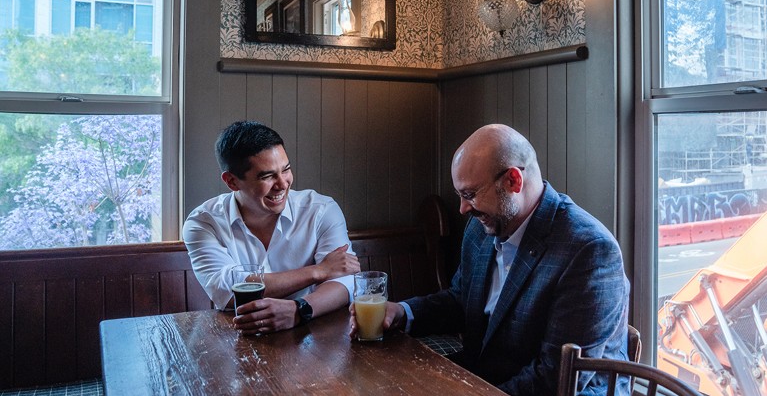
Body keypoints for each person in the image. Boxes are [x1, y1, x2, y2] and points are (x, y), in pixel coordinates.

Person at [351, 124, 630, 395]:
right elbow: (462, 301)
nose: (461, 209)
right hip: (486, 376)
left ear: (513, 180)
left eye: (470, 195)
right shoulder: (483, 226)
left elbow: (554, 378)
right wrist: (402, 312)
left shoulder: (589, 250)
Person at [184, 121, 360, 335]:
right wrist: (318, 271)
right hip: (238, 335)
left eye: (285, 170)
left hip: (313, 332)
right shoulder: (203, 223)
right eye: (267, 176)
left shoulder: (321, 210)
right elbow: (226, 289)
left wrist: (299, 309)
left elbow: (344, 280)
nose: (283, 184)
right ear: (232, 181)